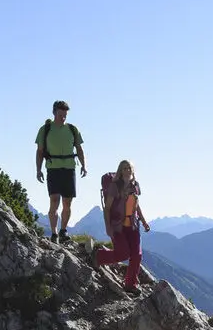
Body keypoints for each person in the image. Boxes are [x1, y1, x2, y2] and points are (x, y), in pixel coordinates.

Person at [35, 100, 86, 242]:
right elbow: (39, 152)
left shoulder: (72, 129)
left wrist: (84, 165)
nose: (63, 118)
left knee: (67, 202)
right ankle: (54, 233)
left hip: (69, 168)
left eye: (65, 115)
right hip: (53, 168)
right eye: (60, 114)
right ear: (54, 113)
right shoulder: (45, 129)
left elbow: (80, 149)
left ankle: (63, 230)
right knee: (54, 200)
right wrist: (38, 170)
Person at [98, 159, 150, 291]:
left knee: (136, 255)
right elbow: (107, 208)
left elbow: (136, 206)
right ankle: (99, 256)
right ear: (120, 171)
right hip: (118, 226)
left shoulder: (135, 186)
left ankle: (130, 284)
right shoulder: (115, 187)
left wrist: (143, 221)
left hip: (133, 225)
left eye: (129, 168)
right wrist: (108, 227)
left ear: (133, 171)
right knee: (123, 254)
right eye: (124, 168)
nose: (127, 171)